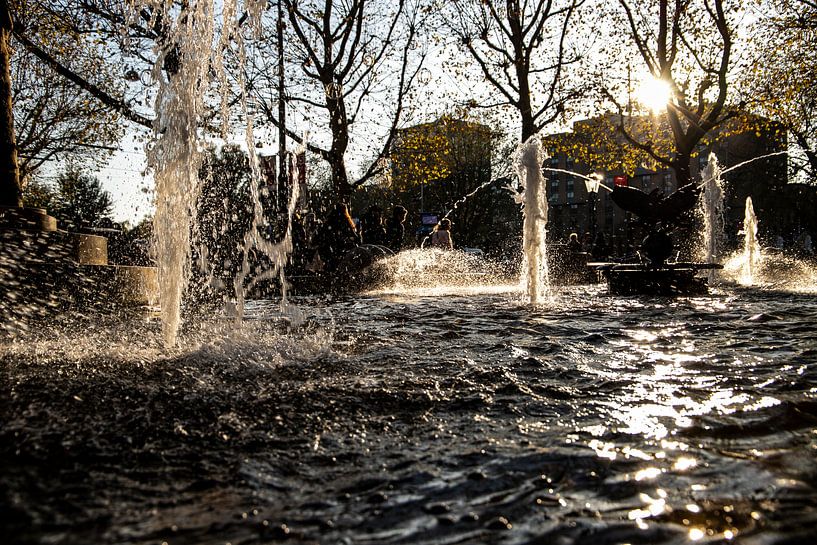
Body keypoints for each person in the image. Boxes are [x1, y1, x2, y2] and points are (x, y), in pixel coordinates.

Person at [313, 202, 361, 272]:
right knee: (339, 267)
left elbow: (318, 236)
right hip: (340, 250)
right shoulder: (345, 221)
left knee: (330, 267)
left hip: (328, 250)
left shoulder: (329, 222)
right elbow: (354, 236)